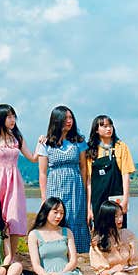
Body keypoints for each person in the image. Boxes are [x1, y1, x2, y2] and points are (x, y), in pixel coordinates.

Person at [0, 104, 41, 255]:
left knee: (13, 219)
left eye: (14, 116)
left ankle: (11, 257)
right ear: (0, 118)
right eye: (9, 116)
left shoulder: (17, 138)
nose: (12, 120)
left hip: (14, 183)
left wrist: (40, 144)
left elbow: (33, 158)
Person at [36, 105, 90, 253]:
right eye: (65, 118)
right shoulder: (46, 143)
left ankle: (76, 253)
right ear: (56, 120)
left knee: (75, 216)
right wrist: (43, 197)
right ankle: (56, 251)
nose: (69, 121)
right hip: (55, 184)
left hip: (75, 184)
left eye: (71, 117)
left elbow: (83, 167)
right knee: (56, 216)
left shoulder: (78, 141)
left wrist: (83, 189)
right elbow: (42, 172)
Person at [85, 114, 136, 229]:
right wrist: (88, 208)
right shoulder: (90, 150)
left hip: (116, 197)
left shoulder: (121, 147)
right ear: (96, 130)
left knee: (119, 232)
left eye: (110, 125)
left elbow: (125, 175)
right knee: (100, 233)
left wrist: (125, 200)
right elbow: (89, 181)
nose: (108, 129)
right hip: (98, 199)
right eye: (104, 126)